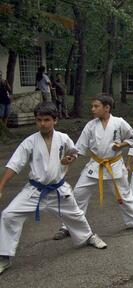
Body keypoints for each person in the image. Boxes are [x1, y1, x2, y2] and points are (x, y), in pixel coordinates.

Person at [0, 102, 108, 274]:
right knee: (8, 214)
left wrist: (69, 159)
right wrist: (1, 186)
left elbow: (73, 152)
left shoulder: (63, 138)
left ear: (55, 120)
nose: (42, 124)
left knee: (76, 215)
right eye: (39, 120)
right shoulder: (30, 142)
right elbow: (15, 164)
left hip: (58, 189)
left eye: (47, 120)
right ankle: (4, 256)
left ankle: (88, 237)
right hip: (35, 190)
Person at [53, 95, 133, 240]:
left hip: (114, 164)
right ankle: (68, 225)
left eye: (96, 106)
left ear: (107, 108)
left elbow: (132, 138)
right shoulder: (91, 125)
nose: (92, 109)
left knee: (123, 194)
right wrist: (71, 157)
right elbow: (80, 147)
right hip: (95, 164)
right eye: (92, 106)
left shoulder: (119, 123)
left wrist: (121, 145)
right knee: (78, 193)